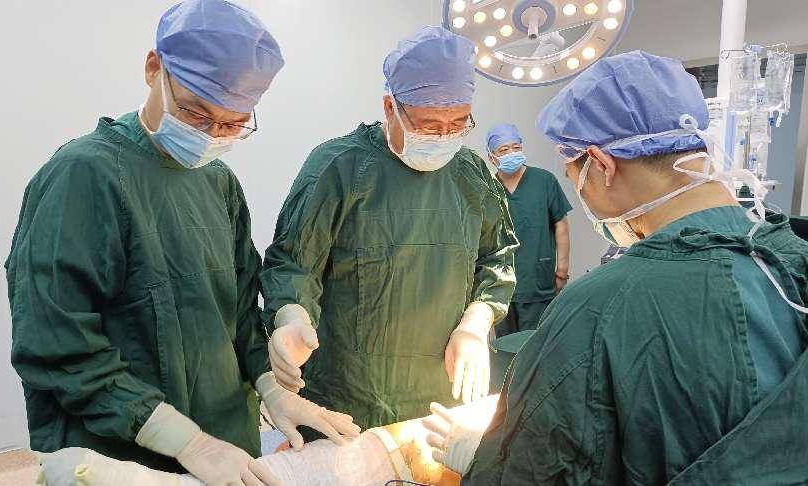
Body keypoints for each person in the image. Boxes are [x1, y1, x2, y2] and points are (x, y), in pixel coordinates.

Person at [6, 1, 358, 485]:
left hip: (226, 445)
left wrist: (272, 388)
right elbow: (56, 343)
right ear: (154, 69)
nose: (210, 134)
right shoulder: (83, 176)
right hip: (122, 459)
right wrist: (185, 441)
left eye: (232, 124)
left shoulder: (218, 182)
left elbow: (238, 313)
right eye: (195, 111)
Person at [423, 51, 808, 484]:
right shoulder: (793, 255)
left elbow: (534, 471)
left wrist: (486, 457)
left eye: (575, 177)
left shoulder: (597, 311)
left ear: (601, 166)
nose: (580, 193)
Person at [260, 26, 518, 434]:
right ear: (389, 107)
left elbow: (496, 257)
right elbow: (293, 264)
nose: (444, 136)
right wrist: (291, 316)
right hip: (346, 400)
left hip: (439, 397)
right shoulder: (339, 168)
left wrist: (476, 320)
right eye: (429, 124)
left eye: (458, 123)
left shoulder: (470, 174)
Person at [485, 123, 571, 336]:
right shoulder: (487, 188)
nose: (511, 153)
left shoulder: (544, 181)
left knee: (534, 345)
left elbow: (561, 225)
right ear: (491, 157)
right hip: (501, 286)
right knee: (505, 347)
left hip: (538, 281)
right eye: (503, 150)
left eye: (516, 147)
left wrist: (562, 271)